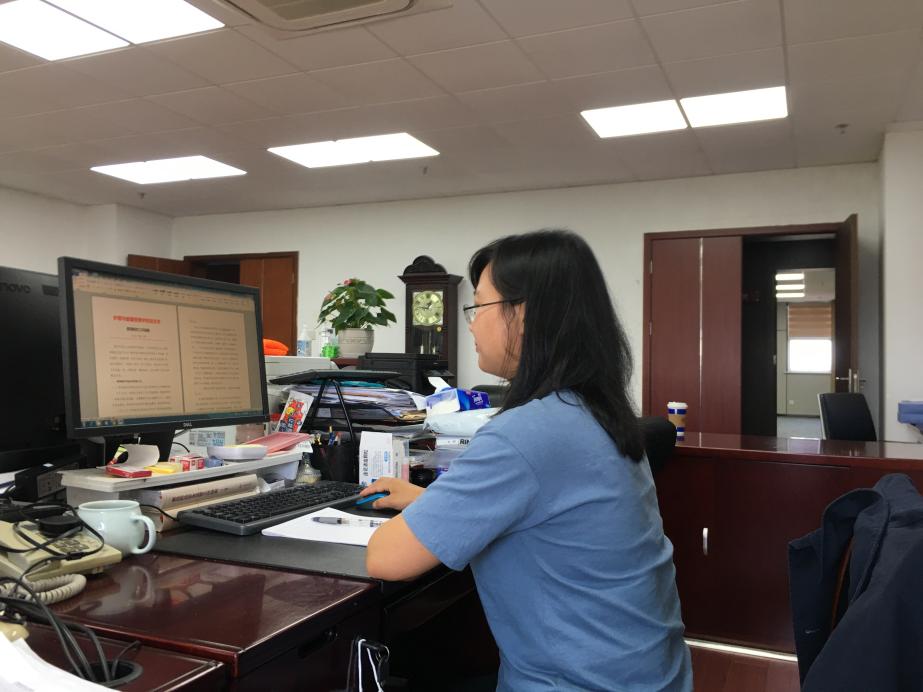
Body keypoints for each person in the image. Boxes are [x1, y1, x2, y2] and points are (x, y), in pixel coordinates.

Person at [362, 229, 692, 691]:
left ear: (525, 314)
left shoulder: (525, 434)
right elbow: (544, 507)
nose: (471, 324)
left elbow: (386, 558)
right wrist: (425, 500)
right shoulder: (596, 412)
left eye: (479, 306)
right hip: (646, 676)